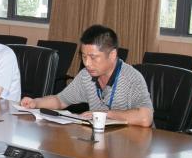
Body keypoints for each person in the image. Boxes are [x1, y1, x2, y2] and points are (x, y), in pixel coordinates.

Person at [21, 25, 153, 127]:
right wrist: (35, 102)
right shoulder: (86, 75)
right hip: (102, 139)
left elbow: (145, 118)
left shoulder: (132, 78)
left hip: (132, 143)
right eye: (84, 57)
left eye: (93, 57)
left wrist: (104, 114)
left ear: (112, 55)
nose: (87, 63)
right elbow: (60, 101)